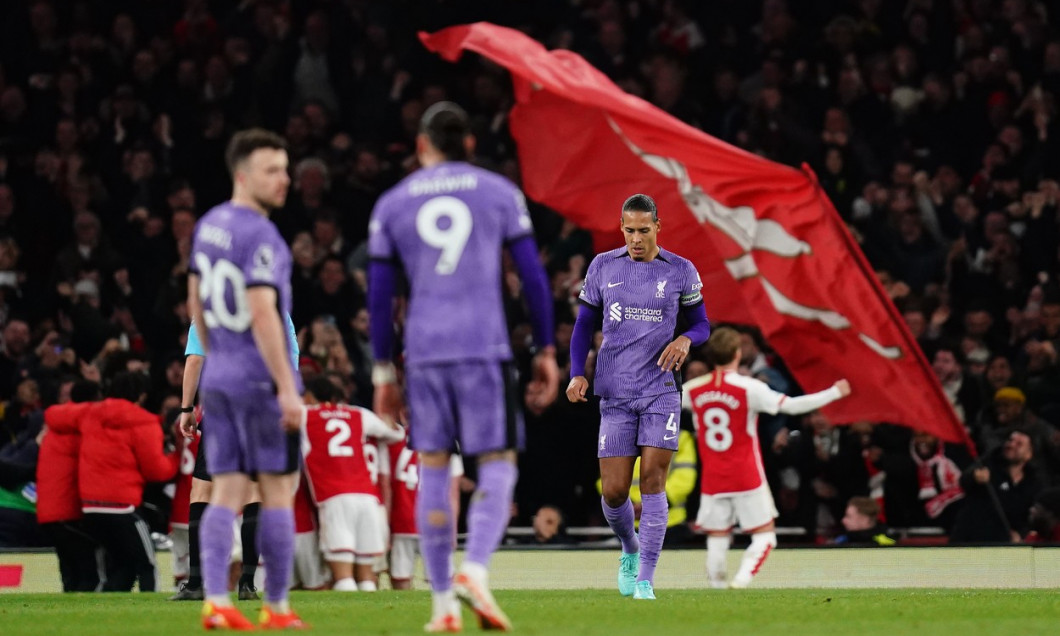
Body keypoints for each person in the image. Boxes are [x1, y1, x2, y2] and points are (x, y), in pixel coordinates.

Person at [368, 101, 559, 632]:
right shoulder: (498, 192)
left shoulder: (392, 203)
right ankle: (474, 568)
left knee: (433, 467)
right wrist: (545, 349)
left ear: (422, 146)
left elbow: (380, 295)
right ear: (470, 144)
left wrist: (384, 370)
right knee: (497, 460)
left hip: (425, 352)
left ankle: (443, 608)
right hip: (483, 347)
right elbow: (533, 277)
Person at [187, 128, 305, 630]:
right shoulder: (262, 236)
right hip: (257, 382)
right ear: (242, 175)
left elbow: (194, 301)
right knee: (278, 492)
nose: (284, 180)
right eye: (271, 171)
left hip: (219, 381)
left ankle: (216, 600)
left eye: (285, 169)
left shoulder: (209, 226)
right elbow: (264, 314)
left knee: (226, 489)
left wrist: (218, 359)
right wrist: (285, 386)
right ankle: (276, 608)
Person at [567, 193, 711, 600]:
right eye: (629, 230)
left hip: (661, 390)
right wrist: (577, 373)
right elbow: (583, 327)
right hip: (614, 391)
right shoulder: (602, 266)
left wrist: (685, 337)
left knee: (652, 482)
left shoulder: (681, 270)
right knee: (613, 491)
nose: (635, 238)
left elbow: (702, 325)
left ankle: (646, 577)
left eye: (643, 230)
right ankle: (630, 549)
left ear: (657, 227)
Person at [683, 327, 850, 588]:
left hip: (713, 476)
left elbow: (658, 401)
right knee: (765, 537)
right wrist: (834, 393)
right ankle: (742, 578)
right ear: (737, 354)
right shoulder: (749, 388)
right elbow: (792, 405)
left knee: (717, 537)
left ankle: (716, 588)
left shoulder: (692, 389)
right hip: (746, 474)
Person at [171, 312, 300, 601]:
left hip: (224, 404)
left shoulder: (211, 303)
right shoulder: (277, 308)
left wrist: (186, 408)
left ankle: (195, 582)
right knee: (255, 491)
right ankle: (248, 583)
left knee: (203, 489)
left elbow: (195, 358)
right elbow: (291, 361)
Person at [77, 372, 182, 592]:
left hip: (90, 506)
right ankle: (150, 616)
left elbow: (55, 416)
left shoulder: (89, 414)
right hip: (123, 507)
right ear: (142, 395)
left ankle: (104, 616)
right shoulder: (144, 422)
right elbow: (157, 472)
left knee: (121, 567)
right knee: (147, 565)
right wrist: (177, 455)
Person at [300, 376, 403, 592]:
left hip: (334, 496)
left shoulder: (304, 415)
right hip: (368, 497)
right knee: (367, 578)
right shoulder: (358, 414)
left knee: (343, 576)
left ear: (309, 396)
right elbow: (396, 433)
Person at [37, 381, 104, 592]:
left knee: (70, 571)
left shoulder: (55, 428)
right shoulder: (82, 432)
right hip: (68, 512)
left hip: (49, 511)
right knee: (87, 573)